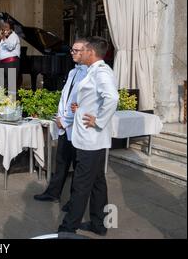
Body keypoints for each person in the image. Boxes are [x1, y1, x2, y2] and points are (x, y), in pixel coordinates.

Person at [58, 36, 119, 236]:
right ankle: (99, 224)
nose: (80, 53)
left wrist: (99, 120)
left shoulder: (101, 72)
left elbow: (112, 97)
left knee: (81, 184)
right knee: (97, 183)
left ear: (91, 52)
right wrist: (80, 107)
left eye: (83, 51)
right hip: (92, 139)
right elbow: (95, 98)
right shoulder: (94, 71)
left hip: (91, 140)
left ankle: (68, 227)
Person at [33, 39, 88, 212]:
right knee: (61, 162)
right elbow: (66, 98)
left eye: (76, 50)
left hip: (77, 128)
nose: (72, 53)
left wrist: (65, 121)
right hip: (64, 126)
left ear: (86, 51)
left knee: (78, 169)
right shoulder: (72, 72)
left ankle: (74, 202)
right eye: (72, 50)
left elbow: (81, 105)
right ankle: (53, 193)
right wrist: (59, 118)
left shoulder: (89, 74)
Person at [0, 20, 21, 92]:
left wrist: (3, 37)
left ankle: (11, 102)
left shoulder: (14, 36)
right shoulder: (4, 38)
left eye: (6, 27)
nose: (4, 29)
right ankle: (4, 101)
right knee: (3, 85)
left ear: (11, 28)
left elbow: (10, 47)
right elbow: (2, 49)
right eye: (3, 27)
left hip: (11, 63)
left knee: (11, 85)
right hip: (2, 64)